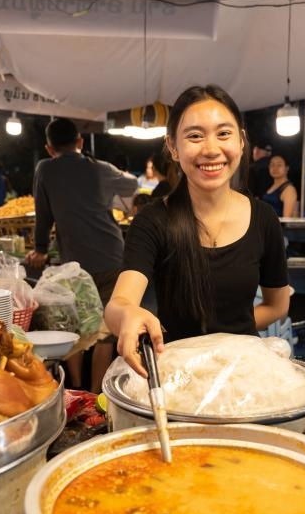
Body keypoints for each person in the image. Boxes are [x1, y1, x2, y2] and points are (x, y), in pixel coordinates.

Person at [105, 84, 290, 376]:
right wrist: (127, 314)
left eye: (224, 133)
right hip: (177, 373)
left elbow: (277, 305)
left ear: (241, 141)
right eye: (194, 136)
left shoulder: (264, 218)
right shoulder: (154, 220)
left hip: (244, 371)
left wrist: (222, 344)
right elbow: (118, 304)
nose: (211, 149)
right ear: (173, 148)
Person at [26, 117, 138, 391]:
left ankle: (76, 390)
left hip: (76, 263)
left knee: (74, 325)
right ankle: (98, 393)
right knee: (107, 329)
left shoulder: (45, 169)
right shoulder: (99, 168)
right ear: (79, 142)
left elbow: (43, 214)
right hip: (113, 256)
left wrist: (40, 249)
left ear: (49, 148)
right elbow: (132, 184)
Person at [262, 152, 299, 218]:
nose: (275, 168)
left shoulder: (289, 190)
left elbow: (286, 219)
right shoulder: (270, 186)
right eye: (272, 165)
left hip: (278, 227)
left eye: (279, 165)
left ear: (287, 168)